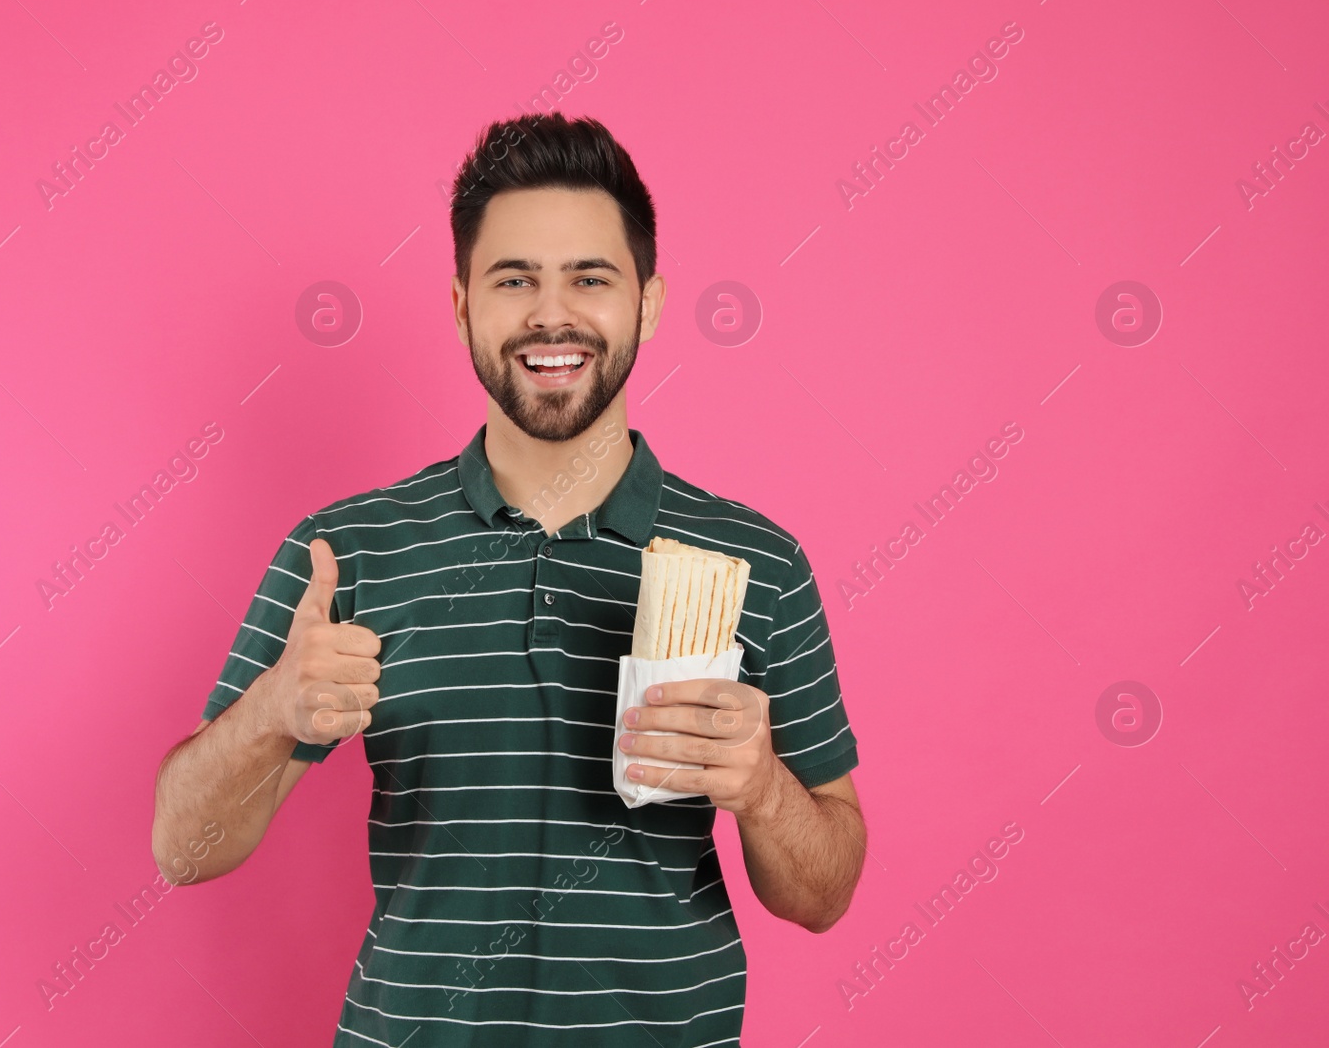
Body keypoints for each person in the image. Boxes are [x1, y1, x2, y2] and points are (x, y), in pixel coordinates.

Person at [152, 111, 866, 1047]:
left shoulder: (758, 561)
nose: (550, 314)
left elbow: (824, 896)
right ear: (462, 307)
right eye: (514, 278)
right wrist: (273, 710)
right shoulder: (347, 551)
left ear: (648, 303)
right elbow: (181, 849)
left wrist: (761, 787)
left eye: (590, 278)